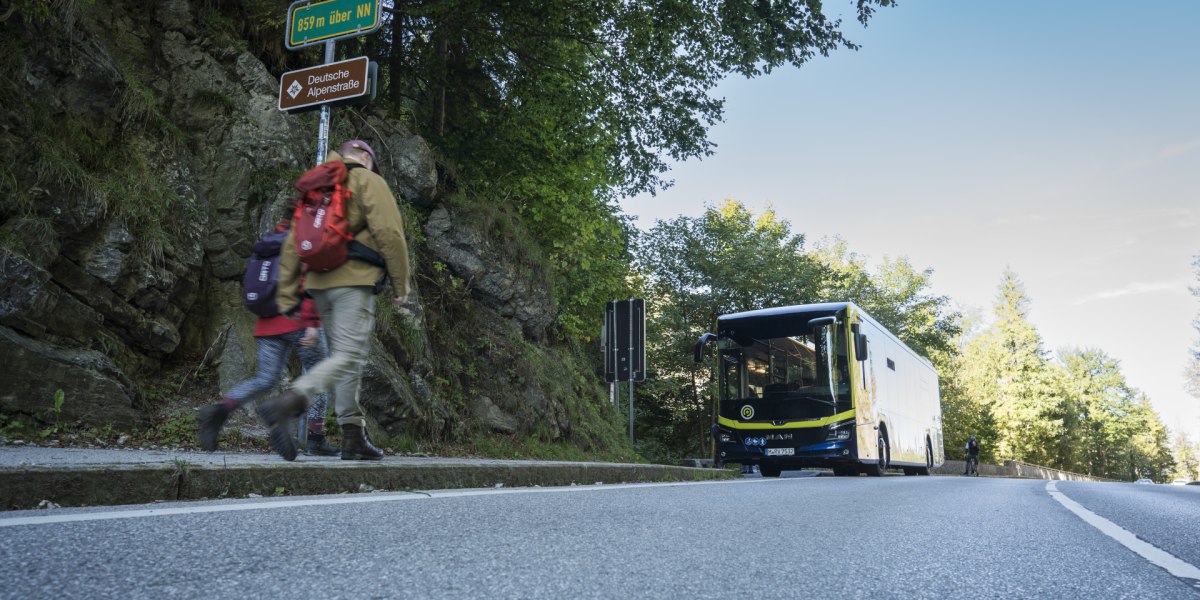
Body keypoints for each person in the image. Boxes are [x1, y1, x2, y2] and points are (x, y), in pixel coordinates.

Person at [256, 139, 411, 461]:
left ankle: (353, 435)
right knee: (349, 355)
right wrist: (401, 283)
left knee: (345, 359)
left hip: (319, 283)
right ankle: (289, 402)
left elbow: (293, 242)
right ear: (365, 157)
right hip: (353, 279)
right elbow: (389, 232)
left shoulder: (317, 184)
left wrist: (288, 293)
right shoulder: (367, 179)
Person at [197, 224, 340, 456]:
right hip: (300, 320)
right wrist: (313, 321)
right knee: (319, 375)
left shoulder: (269, 243)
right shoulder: (305, 240)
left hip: (267, 322)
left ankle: (218, 412)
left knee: (265, 379)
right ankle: (313, 437)